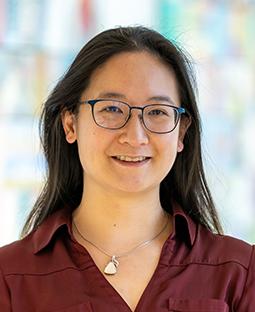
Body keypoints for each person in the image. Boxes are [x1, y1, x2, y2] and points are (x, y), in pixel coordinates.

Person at [0, 26, 254, 312]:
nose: (135, 136)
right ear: (71, 124)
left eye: (157, 112)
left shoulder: (240, 273)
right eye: (111, 109)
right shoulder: (10, 278)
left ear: (181, 133)